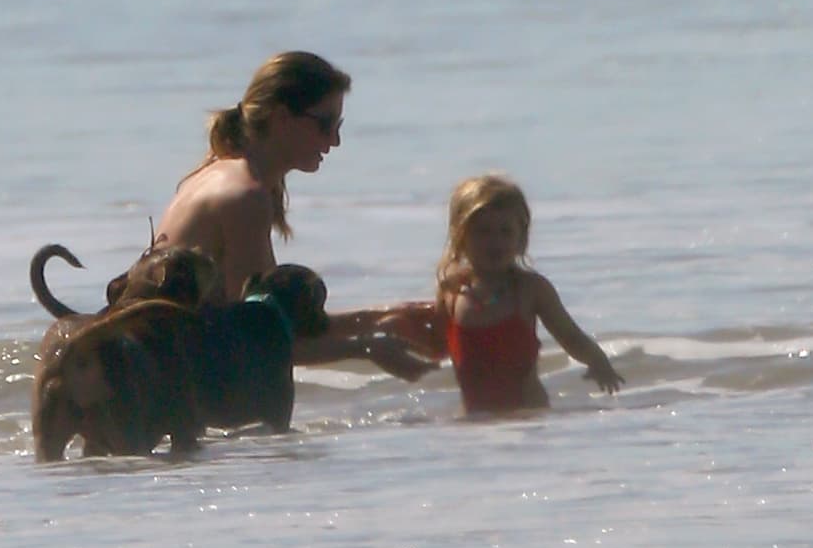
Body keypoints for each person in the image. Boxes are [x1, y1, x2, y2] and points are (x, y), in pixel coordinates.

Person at [153, 50, 437, 382]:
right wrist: (368, 348)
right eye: (325, 125)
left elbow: (258, 323)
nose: (335, 141)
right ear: (281, 118)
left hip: (169, 363)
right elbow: (257, 342)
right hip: (174, 383)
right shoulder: (245, 196)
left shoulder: (221, 172)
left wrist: (386, 317)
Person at [427, 173, 624, 414]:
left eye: (505, 232)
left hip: (528, 418)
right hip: (474, 424)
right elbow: (436, 346)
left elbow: (570, 336)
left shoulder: (530, 289)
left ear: (521, 238)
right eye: (483, 231)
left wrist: (598, 361)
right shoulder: (451, 292)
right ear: (460, 236)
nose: (495, 242)